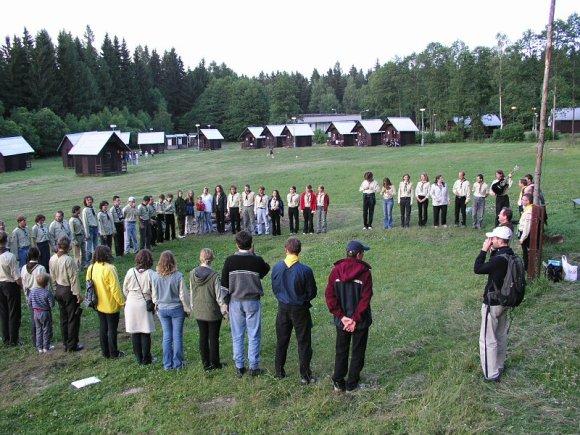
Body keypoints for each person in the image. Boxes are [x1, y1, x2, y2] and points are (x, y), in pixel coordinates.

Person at [325, 240, 373, 393]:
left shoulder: (335, 271)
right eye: (362, 253)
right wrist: (355, 319)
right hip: (360, 321)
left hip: (343, 322)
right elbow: (365, 298)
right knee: (358, 351)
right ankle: (352, 384)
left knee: (341, 350)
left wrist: (342, 317)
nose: (363, 255)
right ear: (358, 255)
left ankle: (338, 382)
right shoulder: (365, 273)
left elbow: (330, 296)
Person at [221, 231, 271, 377]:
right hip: (252, 301)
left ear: (237, 244)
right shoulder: (256, 260)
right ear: (251, 244)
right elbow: (265, 269)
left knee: (237, 335)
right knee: (253, 334)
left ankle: (239, 366)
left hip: (235, 301)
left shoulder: (230, 261)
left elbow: (224, 284)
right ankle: (254, 367)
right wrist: (253, 254)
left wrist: (226, 302)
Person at [271, 238, 317, 384]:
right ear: (299, 250)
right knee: (303, 342)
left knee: (282, 340)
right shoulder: (305, 270)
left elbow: (275, 288)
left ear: (286, 249)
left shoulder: (277, 268)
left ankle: (279, 372)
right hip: (300, 309)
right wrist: (303, 299)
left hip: (283, 308)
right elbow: (312, 292)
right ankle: (305, 375)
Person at [473, 225, 515, 382]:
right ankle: (499, 365)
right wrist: (492, 251)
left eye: (493, 238)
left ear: (499, 240)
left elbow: (478, 268)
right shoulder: (509, 254)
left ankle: (491, 374)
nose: (490, 240)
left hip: (492, 304)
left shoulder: (498, 260)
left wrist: (483, 250)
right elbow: (496, 269)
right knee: (501, 335)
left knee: (487, 339)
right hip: (504, 302)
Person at [152, 250, 190, 370]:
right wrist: (187, 309)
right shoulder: (178, 276)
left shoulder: (155, 276)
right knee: (177, 335)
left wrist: (156, 305)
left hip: (162, 309)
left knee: (167, 336)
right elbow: (183, 295)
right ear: (173, 261)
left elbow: (154, 294)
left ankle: (167, 364)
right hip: (176, 309)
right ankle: (178, 363)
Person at [190, 248, 228, 371]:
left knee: (203, 336)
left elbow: (192, 292)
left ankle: (205, 363)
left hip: (199, 309)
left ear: (200, 258)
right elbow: (219, 296)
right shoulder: (213, 276)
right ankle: (215, 363)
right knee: (213, 337)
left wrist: (192, 306)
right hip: (212, 311)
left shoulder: (192, 273)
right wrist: (223, 309)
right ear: (211, 259)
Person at [87, 245, 125, 358]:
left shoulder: (91, 267)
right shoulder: (109, 268)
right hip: (110, 304)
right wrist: (122, 303)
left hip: (98, 304)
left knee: (103, 328)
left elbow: (89, 284)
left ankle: (105, 352)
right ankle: (114, 353)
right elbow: (115, 289)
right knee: (112, 329)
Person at [49, 236, 83, 352]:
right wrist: (78, 294)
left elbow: (52, 276)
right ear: (68, 247)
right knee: (72, 317)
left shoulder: (52, 258)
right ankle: (72, 345)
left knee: (63, 317)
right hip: (68, 290)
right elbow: (74, 278)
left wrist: (55, 289)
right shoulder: (68, 260)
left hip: (58, 289)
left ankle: (65, 342)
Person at [122, 249, 155, 365]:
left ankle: (138, 358)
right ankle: (146, 358)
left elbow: (125, 288)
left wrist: (130, 297)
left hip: (131, 303)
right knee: (145, 332)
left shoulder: (130, 272)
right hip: (144, 303)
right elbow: (154, 291)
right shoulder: (151, 274)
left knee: (135, 332)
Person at [20, 247, 47, 347]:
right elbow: (45, 284)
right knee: (44, 319)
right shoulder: (41, 268)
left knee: (34, 318)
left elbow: (23, 283)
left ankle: (35, 341)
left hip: (30, 295)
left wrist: (26, 296)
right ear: (38, 255)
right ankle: (44, 341)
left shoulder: (23, 268)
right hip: (40, 295)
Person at [0, 231, 22, 346]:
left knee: (3, 313)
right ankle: (14, 339)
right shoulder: (9, 256)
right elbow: (16, 276)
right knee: (13, 312)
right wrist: (21, 285)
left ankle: (5, 338)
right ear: (6, 241)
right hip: (10, 285)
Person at [27, 273, 54, 353]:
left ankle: (39, 348)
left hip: (36, 313)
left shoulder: (32, 291)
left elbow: (29, 302)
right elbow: (52, 304)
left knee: (38, 330)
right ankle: (46, 347)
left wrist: (33, 306)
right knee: (46, 330)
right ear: (47, 283)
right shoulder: (47, 292)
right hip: (45, 313)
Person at [81, 196, 99, 264]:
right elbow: (85, 222)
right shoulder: (85, 210)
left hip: (95, 228)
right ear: (85, 202)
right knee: (89, 246)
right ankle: (88, 261)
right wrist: (87, 233)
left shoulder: (93, 208)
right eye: (88, 200)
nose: (89, 201)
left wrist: (98, 229)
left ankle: (96, 259)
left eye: (90, 200)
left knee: (96, 245)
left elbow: (96, 219)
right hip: (90, 229)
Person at [518, 194, 533, 271]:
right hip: (523, 232)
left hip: (525, 234)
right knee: (525, 250)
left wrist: (522, 238)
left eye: (524, 200)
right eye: (522, 199)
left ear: (528, 201)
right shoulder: (528, 208)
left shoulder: (528, 212)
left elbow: (527, 227)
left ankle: (526, 267)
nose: (522, 201)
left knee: (525, 251)